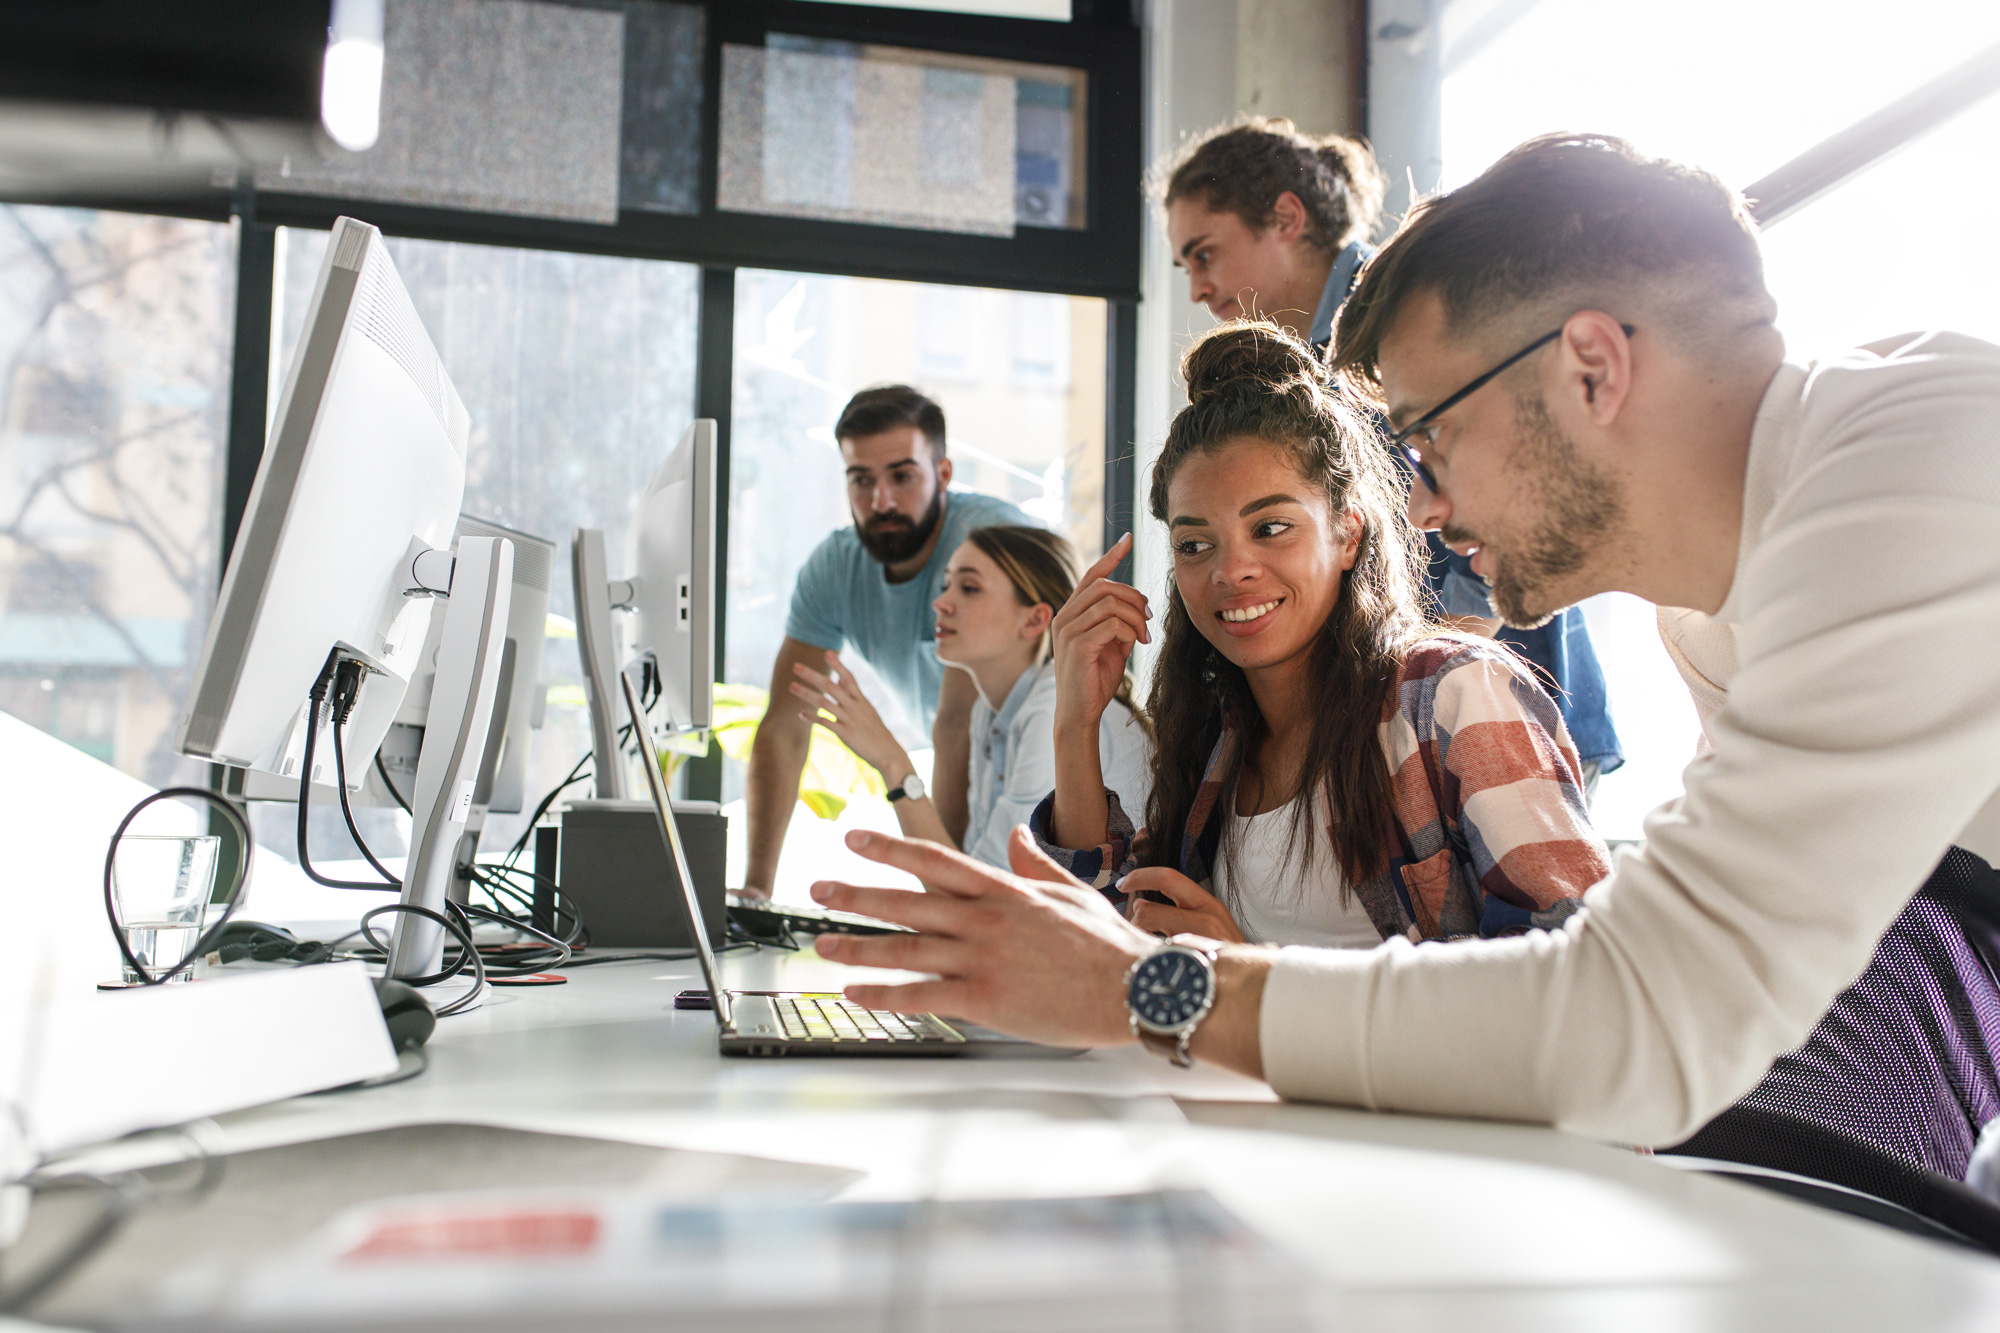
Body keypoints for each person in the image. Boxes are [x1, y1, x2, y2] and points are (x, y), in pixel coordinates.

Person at [803, 135, 2000, 1186]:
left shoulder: (1914, 463)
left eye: (1429, 437)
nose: (1422, 505)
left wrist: (1146, 989)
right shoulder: (1712, 606)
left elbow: (1636, 1015)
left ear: (1590, 367)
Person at [1029, 320, 1603, 951]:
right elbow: (1104, 940)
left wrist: (1252, 976)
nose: (1230, 570)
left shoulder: (1454, 696)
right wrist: (1075, 723)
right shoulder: (1216, 734)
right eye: (1194, 544)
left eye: (1271, 528)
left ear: (1348, 534)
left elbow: (1573, 970)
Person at [1159, 116, 1622, 790]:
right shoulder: (1315, 367)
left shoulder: (1399, 325)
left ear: (1286, 217)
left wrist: (1407, 694)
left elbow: (1496, 511)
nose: (1197, 287)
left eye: (1205, 253)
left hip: (1492, 703)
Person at [743, 385, 1034, 898]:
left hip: (1035, 781)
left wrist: (948, 902)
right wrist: (755, 893)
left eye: (902, 476)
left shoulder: (987, 542)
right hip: (965, 786)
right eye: (861, 480)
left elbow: (954, 728)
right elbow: (785, 727)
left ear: (943, 474)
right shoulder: (835, 567)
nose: (881, 501)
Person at [789, 525, 1152, 872]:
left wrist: (892, 762)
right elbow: (978, 876)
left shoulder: (1050, 709)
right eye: (946, 584)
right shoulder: (988, 714)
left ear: (1033, 620)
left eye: (969, 588)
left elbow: (987, 896)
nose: (941, 603)